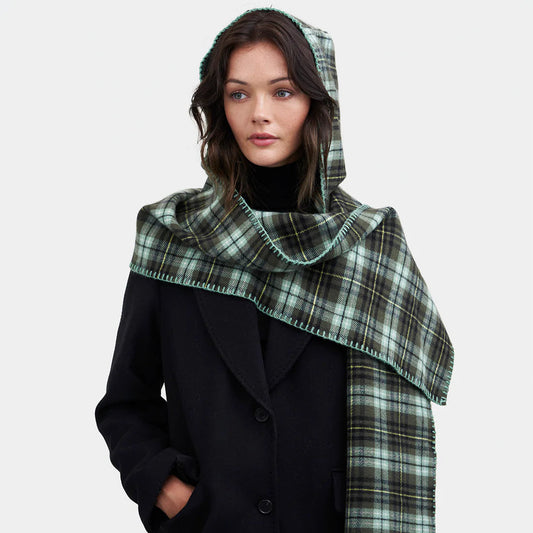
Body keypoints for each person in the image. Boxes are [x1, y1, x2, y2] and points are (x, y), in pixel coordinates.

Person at [95, 7, 454, 533]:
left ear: (318, 104)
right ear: (220, 106)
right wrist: (172, 493)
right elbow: (126, 402)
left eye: (282, 92)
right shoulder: (173, 235)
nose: (259, 113)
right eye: (239, 94)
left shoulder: (369, 244)